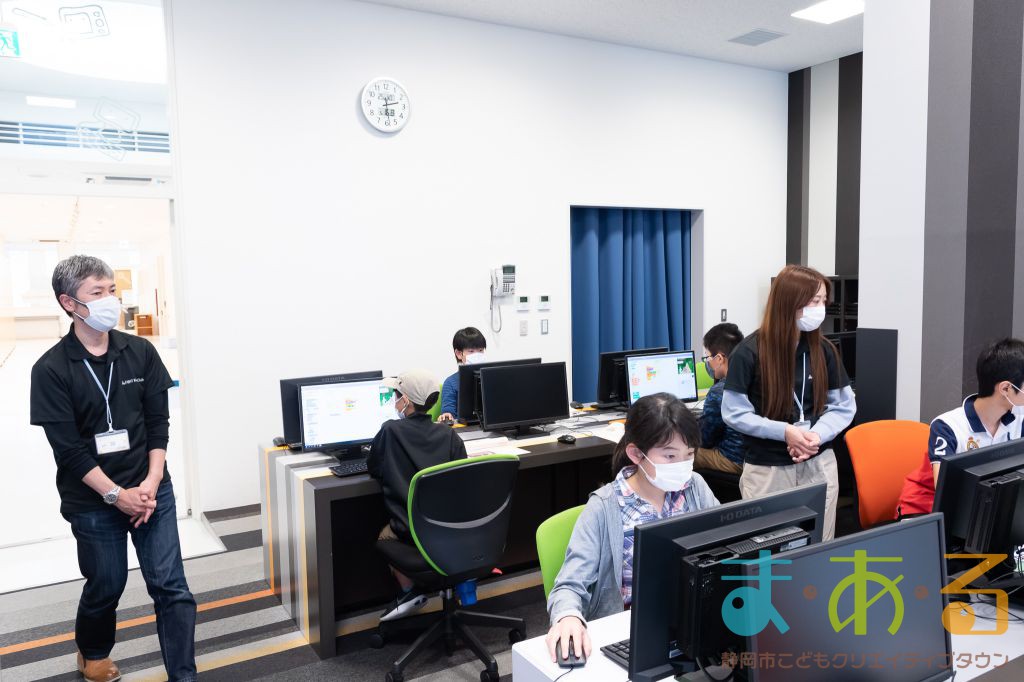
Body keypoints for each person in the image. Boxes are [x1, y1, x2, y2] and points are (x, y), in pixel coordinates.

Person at [29, 255, 197, 682]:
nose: (110, 300)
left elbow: (158, 423)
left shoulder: (139, 351)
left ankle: (184, 675)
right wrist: (116, 496)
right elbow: (69, 450)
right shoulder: (50, 369)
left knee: (172, 587)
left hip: (150, 490)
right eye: (97, 293)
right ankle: (93, 652)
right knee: (106, 585)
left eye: (111, 290)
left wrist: (152, 482)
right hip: (92, 500)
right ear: (69, 303)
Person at [545, 393, 719, 663]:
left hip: (688, 625)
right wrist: (567, 616)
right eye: (670, 456)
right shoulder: (603, 508)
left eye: (689, 455)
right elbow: (569, 584)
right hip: (627, 634)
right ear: (636, 454)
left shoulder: (694, 487)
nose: (683, 466)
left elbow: (724, 545)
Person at [722, 264, 855, 541]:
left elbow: (843, 406)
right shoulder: (748, 352)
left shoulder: (824, 350)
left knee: (819, 545)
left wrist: (815, 436)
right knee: (769, 550)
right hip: (769, 469)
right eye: (814, 301)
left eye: (823, 301)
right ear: (789, 302)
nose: (821, 309)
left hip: (818, 462)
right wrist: (785, 432)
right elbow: (734, 412)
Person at [367, 369, 468, 620]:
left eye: (396, 395)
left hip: (412, 532)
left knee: (383, 533)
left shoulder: (390, 431)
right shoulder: (449, 434)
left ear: (406, 401)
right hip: (452, 530)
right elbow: (463, 478)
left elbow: (374, 466)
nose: (394, 400)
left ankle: (409, 592)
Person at [896, 338, 1024, 519]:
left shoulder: (1019, 419)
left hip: (981, 509)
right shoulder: (947, 427)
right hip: (926, 508)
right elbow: (946, 494)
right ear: (1005, 389)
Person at [696, 322, 747, 475]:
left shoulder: (719, 391)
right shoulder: (754, 376)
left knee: (680, 455)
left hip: (734, 460)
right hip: (754, 457)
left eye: (708, 357)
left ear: (719, 358)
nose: (707, 362)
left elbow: (705, 439)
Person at [438, 327, 487, 422]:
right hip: (464, 427)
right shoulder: (451, 382)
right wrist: (447, 415)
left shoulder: (490, 378)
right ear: (459, 354)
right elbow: (448, 411)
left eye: (481, 350)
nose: (477, 355)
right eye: (471, 351)